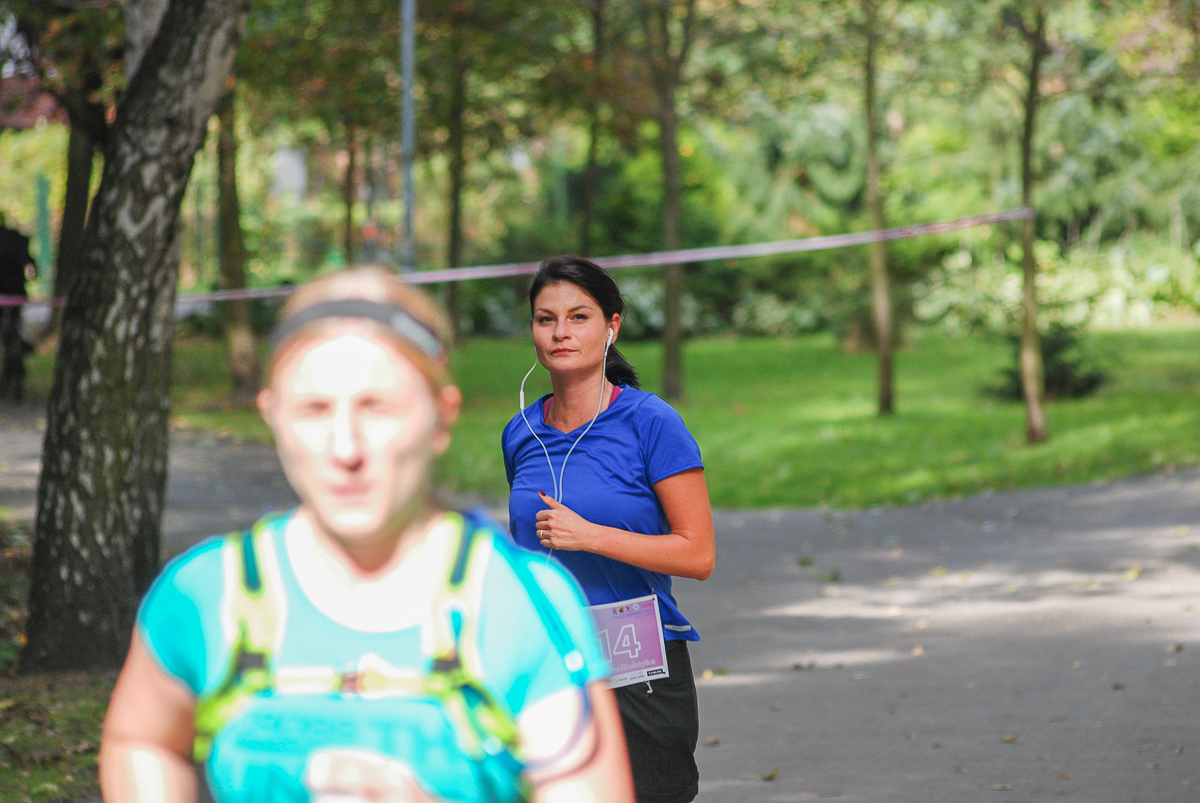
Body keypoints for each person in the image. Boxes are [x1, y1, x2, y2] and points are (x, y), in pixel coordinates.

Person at [100, 266, 635, 803]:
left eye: (377, 408)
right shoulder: (204, 595)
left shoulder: (523, 606)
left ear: (442, 417)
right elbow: (143, 741)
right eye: (314, 410)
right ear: (272, 416)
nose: (345, 448)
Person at [501, 255, 716, 803]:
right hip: (551, 666)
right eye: (545, 319)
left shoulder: (651, 423)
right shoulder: (519, 433)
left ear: (611, 326)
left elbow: (698, 555)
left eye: (579, 317)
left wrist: (591, 535)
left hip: (640, 666)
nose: (560, 332)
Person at [0, 211, 34, 404]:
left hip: (4, 293)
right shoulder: (18, 241)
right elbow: (31, 267)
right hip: (17, 293)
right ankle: (21, 343)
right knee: (16, 327)